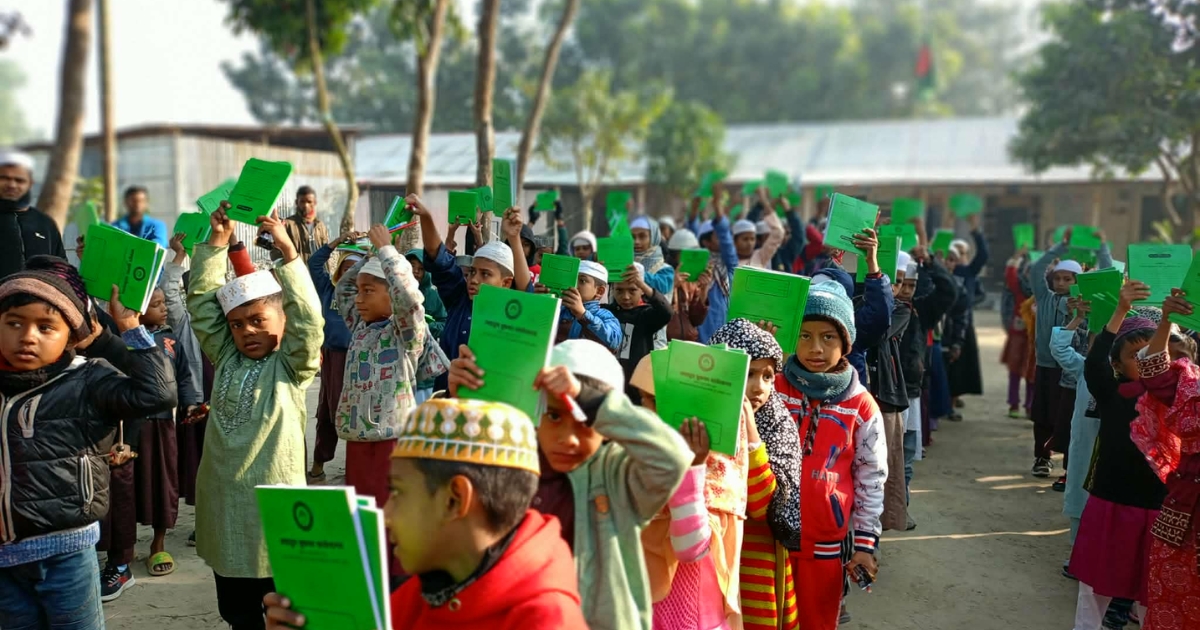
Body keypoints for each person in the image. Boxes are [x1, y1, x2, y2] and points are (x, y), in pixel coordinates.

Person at [262, 398, 589, 630]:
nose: (385, 515)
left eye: (398, 492)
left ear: (454, 499)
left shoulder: (546, 619)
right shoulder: (421, 592)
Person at [448, 339, 693, 630]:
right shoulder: (514, 464)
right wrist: (462, 403)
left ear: (606, 423)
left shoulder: (619, 476)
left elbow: (673, 458)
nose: (570, 439)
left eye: (585, 421)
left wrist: (589, 399)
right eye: (554, 416)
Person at [0, 261, 177, 630]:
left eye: (46, 326)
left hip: (67, 552)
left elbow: (157, 395)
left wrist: (127, 329)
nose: (28, 336)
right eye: (14, 323)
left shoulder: (87, 379)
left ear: (71, 334)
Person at [189, 203, 324, 629]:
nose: (247, 331)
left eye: (258, 320)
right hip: (225, 508)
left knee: (278, 612)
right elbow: (200, 305)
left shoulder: (291, 366)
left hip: (271, 515)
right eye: (237, 324)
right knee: (237, 612)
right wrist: (216, 243)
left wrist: (288, 254)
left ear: (282, 322)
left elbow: (310, 321)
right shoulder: (226, 357)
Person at [334, 224, 444, 580]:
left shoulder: (405, 333)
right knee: (363, 516)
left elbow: (411, 300)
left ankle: (397, 580)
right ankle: (367, 576)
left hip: (392, 443)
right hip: (358, 443)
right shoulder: (361, 326)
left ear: (390, 294)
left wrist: (388, 254)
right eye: (361, 291)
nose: (360, 298)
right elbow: (343, 289)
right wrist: (368, 255)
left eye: (370, 291)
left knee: (392, 514)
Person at [775, 281, 886, 630]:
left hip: (825, 546)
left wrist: (866, 544)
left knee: (817, 622)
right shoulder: (772, 386)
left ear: (846, 343)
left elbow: (871, 477)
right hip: (768, 538)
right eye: (804, 335)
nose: (815, 348)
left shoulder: (860, 405)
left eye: (828, 337)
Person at [1068, 281, 1165, 630]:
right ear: (1118, 365)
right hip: (1111, 504)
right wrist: (1120, 311)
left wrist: (1168, 317)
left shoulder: (1179, 398)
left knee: (1153, 592)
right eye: (1135, 356)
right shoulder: (1113, 394)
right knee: (1094, 587)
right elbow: (1094, 363)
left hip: (1159, 508)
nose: (1145, 361)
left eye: (1153, 353)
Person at [630, 350, 750, 630]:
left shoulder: (716, 471)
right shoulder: (640, 456)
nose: (645, 411)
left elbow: (690, 547)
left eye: (656, 402)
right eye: (642, 400)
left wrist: (691, 468)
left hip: (694, 619)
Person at [706, 319, 802, 630]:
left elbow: (764, 505)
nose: (759, 387)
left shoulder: (777, 424)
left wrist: (750, 435)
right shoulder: (696, 416)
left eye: (768, 376)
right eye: (747, 373)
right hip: (704, 555)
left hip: (755, 561)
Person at [1129, 290, 1200, 630]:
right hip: (1186, 512)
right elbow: (1153, 370)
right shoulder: (1191, 386)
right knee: (1174, 602)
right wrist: (1167, 319)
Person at [414, 196, 530, 391]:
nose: (474, 279)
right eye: (473, 272)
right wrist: (426, 217)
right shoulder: (459, 299)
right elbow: (439, 259)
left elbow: (526, 293)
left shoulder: (512, 314)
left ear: (506, 283)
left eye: (486, 274)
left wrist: (514, 238)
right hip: (447, 404)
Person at [894, 249, 958, 527]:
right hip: (879, 395)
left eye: (910, 285)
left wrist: (931, 262)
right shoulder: (876, 307)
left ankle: (900, 509)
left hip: (910, 393)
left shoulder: (921, 310)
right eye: (899, 283)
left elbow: (949, 291)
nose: (905, 291)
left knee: (906, 458)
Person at [305, 231, 363, 481]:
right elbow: (314, 263)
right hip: (331, 360)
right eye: (346, 268)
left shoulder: (365, 298)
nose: (350, 275)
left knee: (354, 414)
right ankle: (318, 465)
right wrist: (336, 242)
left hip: (357, 360)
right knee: (327, 412)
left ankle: (356, 469)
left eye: (356, 270)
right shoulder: (329, 290)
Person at [604, 262, 673, 400]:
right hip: (609, 386)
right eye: (619, 290)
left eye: (632, 290)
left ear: (641, 290)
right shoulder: (605, 313)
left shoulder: (646, 316)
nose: (626, 297)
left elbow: (666, 312)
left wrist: (642, 284)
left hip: (637, 389)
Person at [943, 214, 990, 411]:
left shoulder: (968, 273)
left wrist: (975, 230)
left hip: (963, 325)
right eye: (953, 255)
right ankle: (944, 401)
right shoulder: (941, 273)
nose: (958, 258)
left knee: (960, 366)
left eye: (962, 253)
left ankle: (953, 400)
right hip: (942, 326)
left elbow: (983, 256)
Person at [0, 149, 68, 278]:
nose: (12, 185)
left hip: (37, 297)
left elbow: (61, 269)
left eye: (19, 180)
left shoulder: (44, 223)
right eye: (4, 178)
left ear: (30, 184)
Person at [688, 187, 738, 344]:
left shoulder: (728, 265)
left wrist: (718, 208)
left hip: (724, 335)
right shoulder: (697, 266)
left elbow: (726, 239)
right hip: (700, 333)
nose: (724, 240)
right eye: (717, 237)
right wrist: (694, 210)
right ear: (706, 242)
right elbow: (692, 237)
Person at [405, 248, 448, 402]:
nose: (416, 272)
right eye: (411, 267)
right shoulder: (398, 292)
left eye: (421, 269)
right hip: (401, 362)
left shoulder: (433, 295)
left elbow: (444, 323)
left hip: (424, 366)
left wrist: (426, 328)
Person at [555, 260, 622, 351]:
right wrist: (538, 300)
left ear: (599, 291)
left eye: (582, 281)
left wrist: (583, 315)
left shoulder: (604, 315)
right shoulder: (558, 309)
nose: (574, 285)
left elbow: (613, 343)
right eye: (572, 279)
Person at [663, 229, 711, 343]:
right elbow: (658, 313)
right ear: (675, 255)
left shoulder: (692, 282)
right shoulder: (662, 275)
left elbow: (697, 320)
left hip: (687, 344)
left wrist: (704, 290)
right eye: (687, 255)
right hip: (664, 344)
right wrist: (672, 285)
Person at [1003, 249, 1034, 418]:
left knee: (1032, 372)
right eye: (1029, 271)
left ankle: (1030, 406)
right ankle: (1013, 404)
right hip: (1018, 333)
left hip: (1035, 337)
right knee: (1014, 369)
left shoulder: (1044, 291)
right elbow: (1010, 274)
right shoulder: (1019, 287)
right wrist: (1016, 257)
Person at [282, 185, 330, 263]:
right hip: (298, 272)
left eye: (309, 202)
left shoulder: (320, 225)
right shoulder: (287, 224)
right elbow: (276, 250)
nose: (305, 205)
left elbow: (326, 249)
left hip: (319, 271)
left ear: (314, 203)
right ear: (297, 202)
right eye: (302, 201)